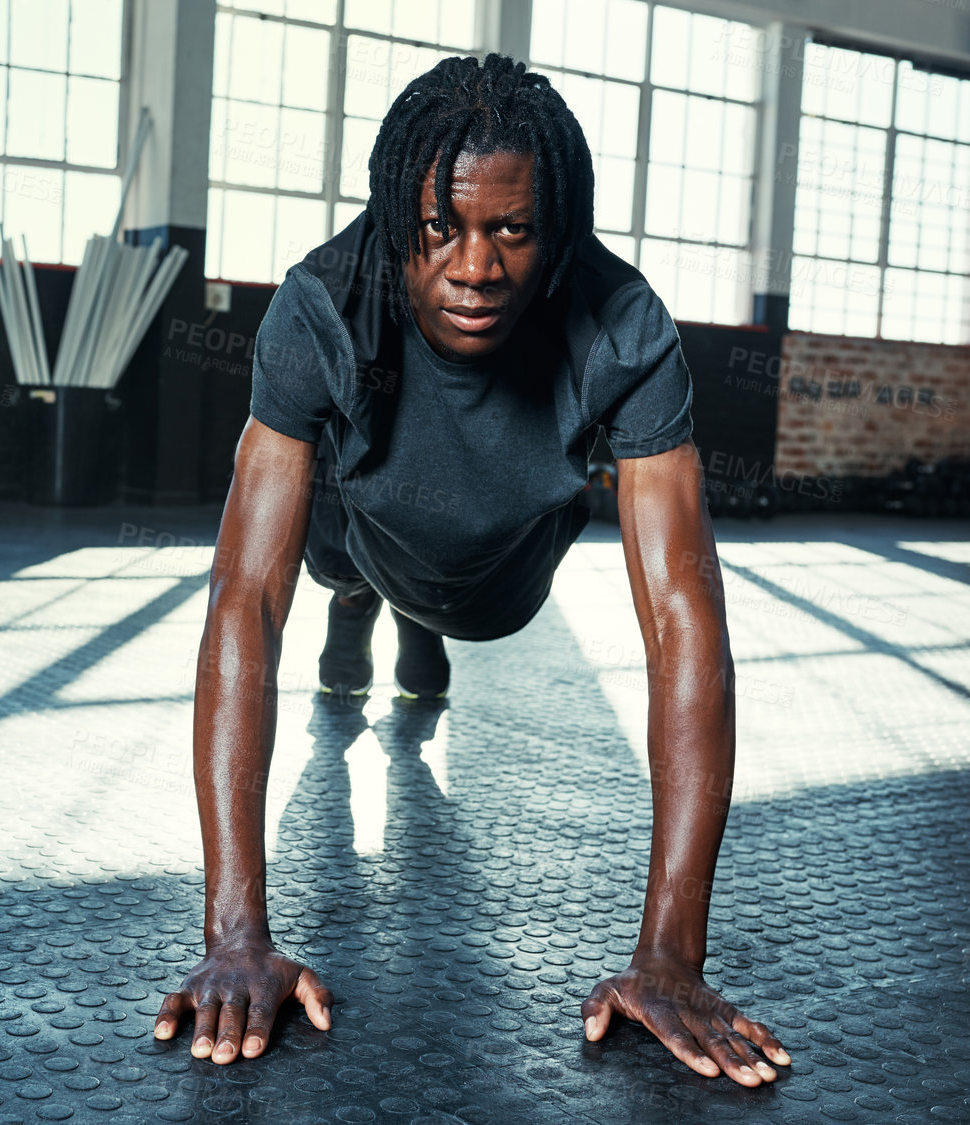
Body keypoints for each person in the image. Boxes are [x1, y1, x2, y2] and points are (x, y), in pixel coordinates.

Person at [151, 53, 790, 1087]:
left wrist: (670, 955)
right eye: (440, 228)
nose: (475, 267)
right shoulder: (321, 306)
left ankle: (407, 617)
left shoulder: (623, 325)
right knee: (326, 554)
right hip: (359, 524)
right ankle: (361, 608)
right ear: (396, 219)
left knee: (458, 598)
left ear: (559, 229)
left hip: (507, 565)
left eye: (513, 231)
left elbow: (684, 619)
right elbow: (245, 594)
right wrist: (235, 934)